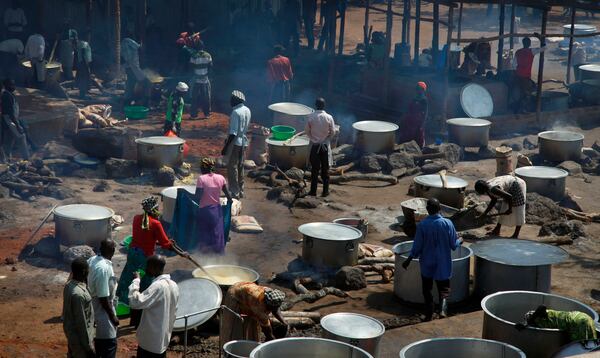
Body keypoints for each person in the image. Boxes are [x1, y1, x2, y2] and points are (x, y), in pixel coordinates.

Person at [116, 196, 186, 328]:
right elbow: (166, 245)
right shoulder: (156, 223)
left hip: (133, 253)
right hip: (144, 257)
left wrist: (161, 241)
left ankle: (126, 304)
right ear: (154, 210)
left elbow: (144, 237)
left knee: (130, 276)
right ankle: (139, 307)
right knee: (145, 281)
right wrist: (181, 253)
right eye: (157, 209)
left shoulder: (137, 218)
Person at [402, 198, 463, 321]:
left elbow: (417, 246)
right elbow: (453, 245)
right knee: (444, 289)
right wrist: (460, 240)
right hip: (442, 263)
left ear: (427, 210)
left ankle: (429, 314)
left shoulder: (422, 225)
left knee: (427, 289)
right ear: (440, 209)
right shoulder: (447, 223)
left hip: (427, 263)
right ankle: (442, 310)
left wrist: (408, 259)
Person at [128, 255, 179, 358]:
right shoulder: (174, 285)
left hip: (150, 342)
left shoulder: (158, 286)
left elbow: (135, 302)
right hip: (162, 339)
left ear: (155, 267)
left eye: (148, 266)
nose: (146, 268)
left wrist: (136, 281)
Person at [220, 282, 288, 348]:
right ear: (268, 305)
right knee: (236, 324)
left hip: (245, 291)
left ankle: (249, 340)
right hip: (235, 295)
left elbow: (276, 309)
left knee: (252, 324)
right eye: (271, 308)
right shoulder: (259, 307)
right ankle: (234, 346)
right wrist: (272, 340)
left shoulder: (269, 293)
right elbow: (267, 330)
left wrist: (284, 322)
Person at [299, 97, 336, 197]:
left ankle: (313, 191)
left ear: (315, 105)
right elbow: (333, 132)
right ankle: (325, 191)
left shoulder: (311, 117)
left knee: (314, 170)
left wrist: (312, 138)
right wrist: (327, 139)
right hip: (324, 146)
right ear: (324, 106)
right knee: (325, 169)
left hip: (314, 146)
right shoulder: (329, 117)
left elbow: (306, 130)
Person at [194, 158, 233, 254]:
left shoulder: (201, 179)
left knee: (204, 233)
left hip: (204, 211)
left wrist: (185, 195)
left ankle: (205, 254)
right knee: (217, 233)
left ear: (203, 168)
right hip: (217, 211)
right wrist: (229, 203)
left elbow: (197, 196)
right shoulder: (221, 178)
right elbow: (229, 196)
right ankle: (218, 254)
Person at [87, 239, 119, 358]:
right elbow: (103, 297)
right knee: (108, 344)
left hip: (93, 307)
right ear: (112, 251)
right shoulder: (103, 268)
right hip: (102, 311)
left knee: (98, 343)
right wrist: (113, 317)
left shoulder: (92, 260)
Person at [62, 257, 95, 358]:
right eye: (88, 269)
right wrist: (89, 348)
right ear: (84, 271)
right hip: (81, 342)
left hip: (72, 335)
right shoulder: (78, 295)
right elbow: (81, 324)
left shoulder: (69, 285)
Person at [222, 90, 251, 199]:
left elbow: (233, 133)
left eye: (231, 99)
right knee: (240, 166)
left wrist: (225, 147)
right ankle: (241, 190)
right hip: (243, 142)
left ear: (236, 100)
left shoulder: (235, 112)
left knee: (232, 167)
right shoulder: (247, 110)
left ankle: (234, 192)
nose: (230, 101)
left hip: (235, 143)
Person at [516, 305, 598, 342]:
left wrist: (528, 322)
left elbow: (541, 307)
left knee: (580, 350)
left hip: (577, 322)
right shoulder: (549, 318)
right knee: (590, 346)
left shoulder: (541, 316)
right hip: (583, 317)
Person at [511, 34, 546, 113]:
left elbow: (513, 65)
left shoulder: (518, 52)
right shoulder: (532, 51)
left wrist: (515, 74)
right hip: (525, 77)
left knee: (520, 93)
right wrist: (540, 39)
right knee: (527, 93)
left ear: (523, 43)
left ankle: (518, 109)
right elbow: (544, 48)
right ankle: (523, 109)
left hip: (518, 75)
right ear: (529, 44)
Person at [1, 79, 30, 163]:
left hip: (10, 120)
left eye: (14, 85)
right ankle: (26, 158)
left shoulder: (9, 95)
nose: (14, 87)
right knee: (21, 137)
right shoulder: (6, 96)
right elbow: (10, 113)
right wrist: (17, 125)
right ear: (7, 86)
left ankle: (6, 160)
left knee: (9, 140)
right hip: (9, 121)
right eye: (11, 85)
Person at [187, 40, 212, 119]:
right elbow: (210, 66)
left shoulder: (194, 56)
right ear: (203, 47)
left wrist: (195, 73)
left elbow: (191, 67)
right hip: (205, 79)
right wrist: (207, 74)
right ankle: (207, 114)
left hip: (196, 80)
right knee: (206, 97)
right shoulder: (208, 55)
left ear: (196, 47)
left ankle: (194, 115)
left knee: (194, 97)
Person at [121, 37, 148, 106]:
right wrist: (142, 77)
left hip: (131, 69)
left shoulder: (132, 48)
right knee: (132, 85)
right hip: (131, 70)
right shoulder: (129, 44)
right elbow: (132, 64)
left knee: (131, 85)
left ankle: (129, 101)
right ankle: (130, 102)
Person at [402, 82, 429, 148]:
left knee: (418, 137)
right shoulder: (414, 98)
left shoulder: (424, 100)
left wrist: (422, 124)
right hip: (410, 120)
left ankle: (420, 150)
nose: (417, 90)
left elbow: (425, 113)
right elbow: (408, 110)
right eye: (417, 88)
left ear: (423, 90)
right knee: (408, 136)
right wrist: (405, 118)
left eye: (419, 88)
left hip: (418, 121)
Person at [72, 30, 93, 99]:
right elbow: (83, 53)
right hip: (83, 63)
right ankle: (82, 95)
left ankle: (82, 94)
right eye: (88, 36)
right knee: (84, 78)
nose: (89, 37)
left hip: (81, 63)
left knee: (82, 78)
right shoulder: (84, 43)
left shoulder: (80, 43)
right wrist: (86, 64)